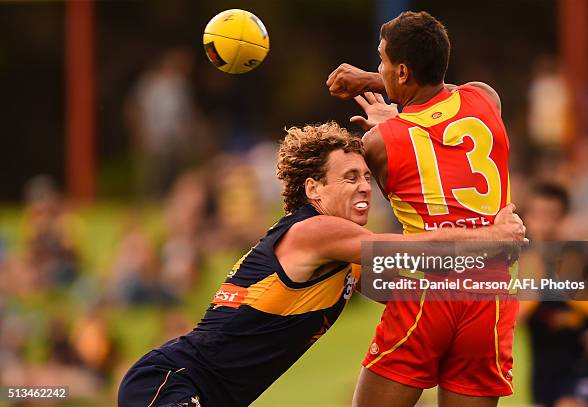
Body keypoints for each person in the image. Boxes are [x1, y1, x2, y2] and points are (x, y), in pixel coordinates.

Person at [118, 122, 525, 407]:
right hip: (173, 380)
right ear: (313, 188)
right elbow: (408, 250)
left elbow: (423, 294)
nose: (366, 186)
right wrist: (491, 236)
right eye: (349, 177)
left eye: (367, 176)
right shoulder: (315, 232)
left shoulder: (344, 259)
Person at [326, 11, 517, 407]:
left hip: (430, 289)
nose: (375, 68)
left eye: (381, 61)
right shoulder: (486, 97)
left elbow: (405, 145)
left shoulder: (379, 143)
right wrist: (384, 88)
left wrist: (386, 123)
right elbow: (437, 101)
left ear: (401, 72)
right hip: (491, 295)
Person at [520, 183, 588, 407]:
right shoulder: (520, 262)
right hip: (543, 372)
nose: (544, 224)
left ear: (565, 218)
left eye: (552, 216)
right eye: (537, 215)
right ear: (526, 218)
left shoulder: (583, 257)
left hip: (582, 365)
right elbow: (510, 319)